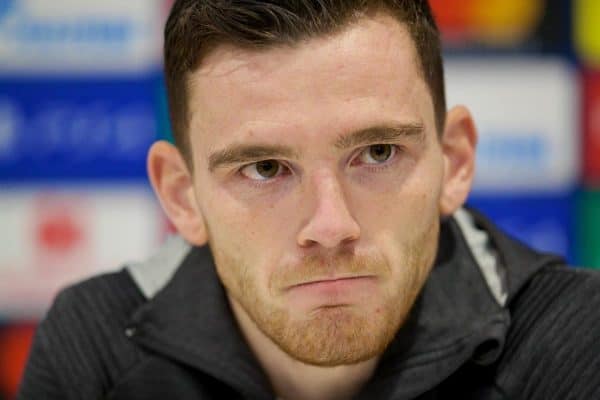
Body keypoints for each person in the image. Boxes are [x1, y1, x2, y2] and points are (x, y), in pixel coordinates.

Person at [17, 1, 600, 399]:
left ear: (455, 161)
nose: (330, 225)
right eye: (265, 168)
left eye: (377, 153)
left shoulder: (570, 341)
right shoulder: (96, 344)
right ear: (181, 196)